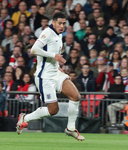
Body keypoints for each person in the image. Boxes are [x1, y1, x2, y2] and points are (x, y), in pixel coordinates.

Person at [16, 12, 85, 141]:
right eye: (59, 23)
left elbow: (50, 54)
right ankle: (25, 118)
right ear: (53, 22)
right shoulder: (47, 32)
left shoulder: (59, 35)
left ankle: (70, 128)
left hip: (55, 73)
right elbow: (34, 50)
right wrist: (54, 56)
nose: (62, 26)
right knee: (53, 110)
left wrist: (56, 65)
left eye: (64, 23)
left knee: (76, 96)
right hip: (44, 77)